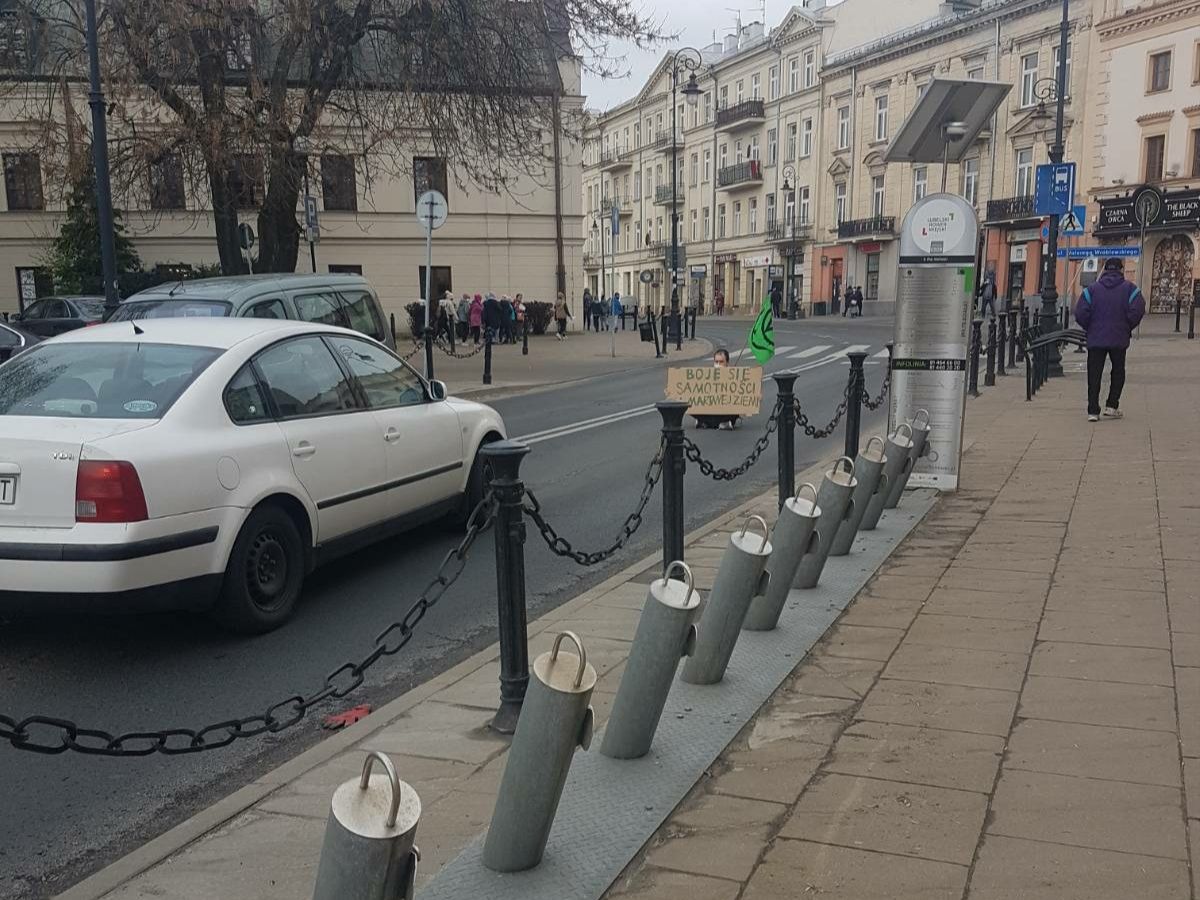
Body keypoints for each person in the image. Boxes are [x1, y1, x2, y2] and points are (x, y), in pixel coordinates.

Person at [1075, 257, 1145, 422]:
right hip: (1119, 337)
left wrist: (1090, 327)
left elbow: (1080, 313)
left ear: (1105, 270)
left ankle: (1093, 410)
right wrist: (1127, 325)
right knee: (1118, 370)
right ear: (1121, 270)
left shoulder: (1091, 290)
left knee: (1094, 373)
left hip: (1096, 338)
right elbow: (1138, 308)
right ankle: (1112, 406)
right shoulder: (1131, 289)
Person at [694, 348, 740, 431]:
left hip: (726, 410)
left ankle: (707, 422)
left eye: (721, 362)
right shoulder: (706, 377)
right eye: (716, 362)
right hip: (710, 410)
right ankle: (705, 421)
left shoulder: (734, 378)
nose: (718, 364)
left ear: (727, 363)